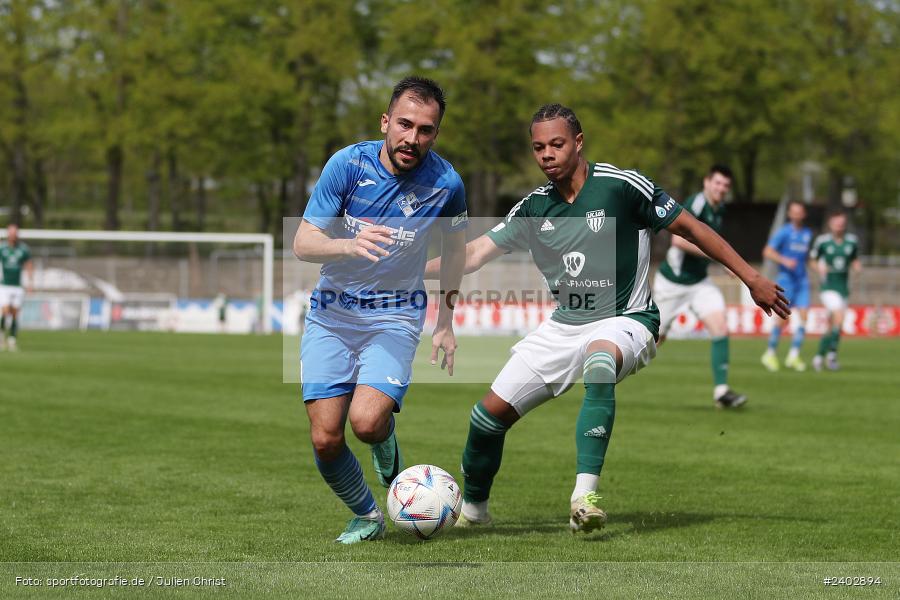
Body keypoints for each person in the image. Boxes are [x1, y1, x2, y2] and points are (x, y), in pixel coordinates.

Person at [423, 104, 788, 533]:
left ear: (579, 143)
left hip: (627, 318)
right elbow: (470, 257)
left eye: (557, 144)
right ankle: (475, 513)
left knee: (600, 361)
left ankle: (585, 497)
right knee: (485, 420)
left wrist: (750, 277)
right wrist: (403, 266)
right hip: (563, 326)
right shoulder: (533, 208)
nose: (547, 154)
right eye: (538, 147)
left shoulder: (621, 186)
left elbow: (691, 228)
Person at [292, 76, 467, 544]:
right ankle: (368, 514)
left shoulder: (447, 184)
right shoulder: (347, 165)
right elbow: (303, 242)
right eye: (405, 125)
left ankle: (384, 440)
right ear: (385, 122)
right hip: (332, 313)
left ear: (435, 134)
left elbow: (455, 254)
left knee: (366, 423)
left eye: (426, 129)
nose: (413, 138)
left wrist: (446, 323)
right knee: (326, 438)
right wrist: (349, 245)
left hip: (395, 315)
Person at [653, 164, 747, 408]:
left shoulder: (719, 209)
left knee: (720, 327)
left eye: (726, 185)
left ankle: (722, 392)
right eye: (717, 183)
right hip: (672, 282)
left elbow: (711, 242)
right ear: (706, 182)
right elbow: (678, 241)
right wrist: (719, 258)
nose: (721, 189)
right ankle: (605, 373)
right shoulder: (696, 204)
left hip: (699, 283)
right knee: (652, 341)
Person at [761, 200, 813, 371]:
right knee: (783, 318)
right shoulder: (783, 232)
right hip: (786, 280)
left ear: (803, 214)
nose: (797, 215)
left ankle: (793, 356)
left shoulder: (807, 233)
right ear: (790, 214)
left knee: (804, 317)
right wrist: (784, 260)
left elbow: (806, 258)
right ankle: (770, 353)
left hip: (802, 280)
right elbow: (767, 251)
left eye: (800, 212)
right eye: (794, 212)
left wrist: (817, 265)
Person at [810, 210, 861, 372]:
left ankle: (819, 357)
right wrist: (819, 267)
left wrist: (856, 266)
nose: (839, 226)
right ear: (831, 224)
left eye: (842, 224)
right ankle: (831, 357)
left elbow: (854, 258)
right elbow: (812, 260)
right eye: (836, 223)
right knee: (839, 317)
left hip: (843, 287)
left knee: (833, 325)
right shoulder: (823, 242)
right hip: (828, 288)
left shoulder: (852, 241)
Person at [0, 224, 33, 352]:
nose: (13, 235)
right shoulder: (2, 248)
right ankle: (2, 334)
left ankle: (12, 340)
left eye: (15, 233)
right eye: (11, 233)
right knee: (5, 310)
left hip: (18, 287)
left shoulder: (23, 249)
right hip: (4, 285)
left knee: (15, 314)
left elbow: (29, 265)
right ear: (8, 234)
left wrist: (30, 283)